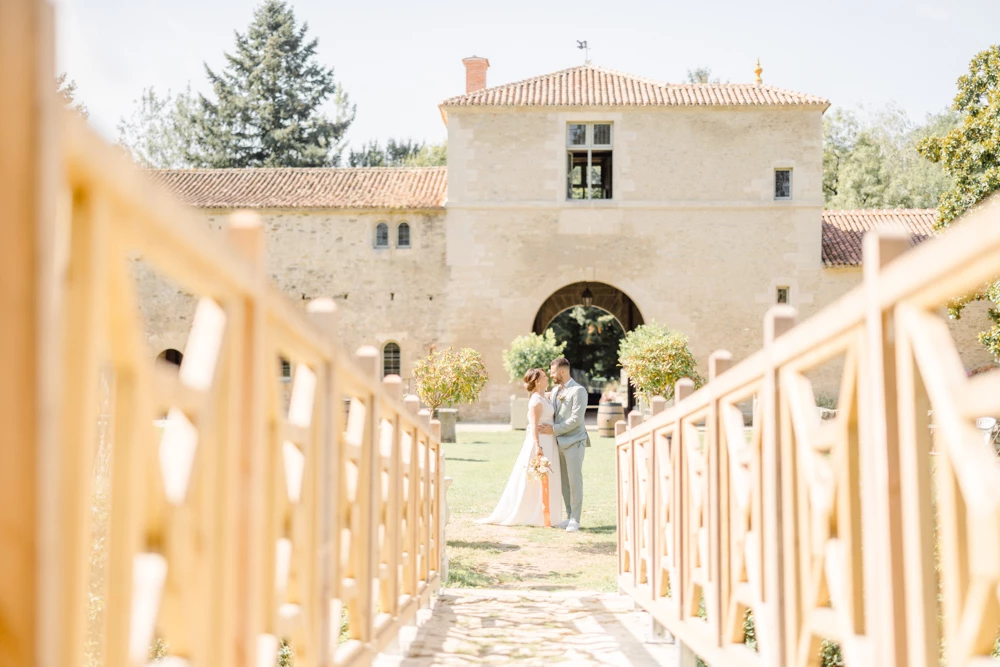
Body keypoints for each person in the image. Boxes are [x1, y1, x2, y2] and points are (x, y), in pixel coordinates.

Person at [477, 368, 563, 527]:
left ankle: (546, 513)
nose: (547, 379)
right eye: (544, 377)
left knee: (547, 478)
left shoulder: (545, 397)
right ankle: (532, 513)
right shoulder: (536, 401)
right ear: (537, 381)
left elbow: (554, 394)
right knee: (534, 479)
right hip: (540, 443)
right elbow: (534, 425)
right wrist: (538, 447)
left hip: (550, 442)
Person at [537, 357, 590, 532]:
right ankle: (569, 515)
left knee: (575, 481)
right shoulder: (555, 390)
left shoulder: (578, 391)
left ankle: (576, 519)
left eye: (552, 372)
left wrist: (554, 429)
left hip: (574, 441)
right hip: (558, 443)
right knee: (564, 482)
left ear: (562, 371)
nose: (551, 375)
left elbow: (576, 419)